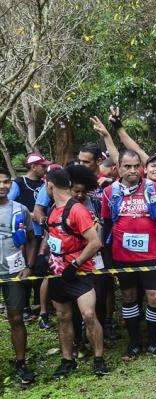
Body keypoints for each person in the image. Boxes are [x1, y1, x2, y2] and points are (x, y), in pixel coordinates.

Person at [102, 150, 156, 360]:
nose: (132, 171)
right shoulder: (109, 192)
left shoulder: (152, 188)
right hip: (122, 255)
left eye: (135, 166)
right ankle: (133, 343)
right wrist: (108, 258)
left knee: (155, 297)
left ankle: (152, 341)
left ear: (141, 167)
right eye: (127, 166)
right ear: (118, 168)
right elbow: (106, 226)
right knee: (129, 297)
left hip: (150, 254)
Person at [44, 168, 108, 377]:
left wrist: (75, 264)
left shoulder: (77, 209)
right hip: (57, 273)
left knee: (89, 315)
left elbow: (95, 242)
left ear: (50, 185)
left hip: (79, 273)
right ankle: (67, 360)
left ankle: (99, 359)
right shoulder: (53, 209)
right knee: (63, 317)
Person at [0, 168, 37, 383]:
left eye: (6, 182)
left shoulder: (20, 209)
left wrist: (29, 265)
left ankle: (21, 362)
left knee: (16, 318)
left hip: (14, 273)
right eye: (0, 182)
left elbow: (32, 238)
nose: (3, 186)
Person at [8, 152, 49, 325]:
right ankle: (23, 306)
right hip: (24, 233)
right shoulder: (18, 183)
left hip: (42, 232)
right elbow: (8, 203)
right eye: (42, 166)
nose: (45, 168)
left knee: (39, 268)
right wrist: (30, 215)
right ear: (33, 166)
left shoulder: (45, 184)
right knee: (24, 268)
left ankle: (39, 304)